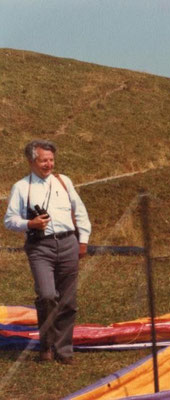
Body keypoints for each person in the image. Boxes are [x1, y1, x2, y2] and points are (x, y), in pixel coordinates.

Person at [4, 139, 91, 364]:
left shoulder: (64, 182)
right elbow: (10, 220)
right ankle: (46, 344)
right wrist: (30, 224)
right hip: (40, 247)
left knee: (68, 300)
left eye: (51, 160)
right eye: (44, 160)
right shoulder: (22, 187)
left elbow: (79, 211)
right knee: (47, 295)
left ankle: (64, 350)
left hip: (68, 243)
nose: (49, 164)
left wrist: (83, 241)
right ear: (32, 161)